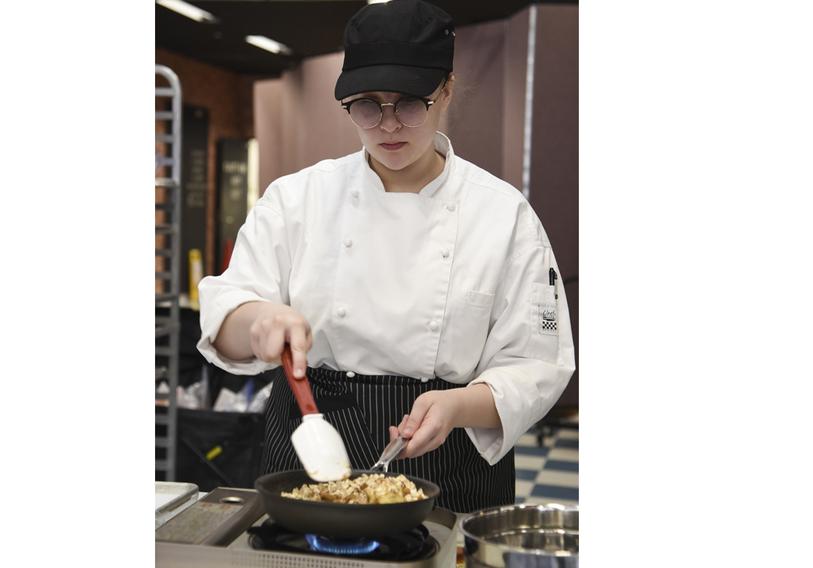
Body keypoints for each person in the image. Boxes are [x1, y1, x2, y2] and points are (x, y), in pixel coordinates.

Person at [197, 0, 575, 513]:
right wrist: (258, 320)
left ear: (445, 90)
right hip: (311, 445)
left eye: (410, 102)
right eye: (368, 104)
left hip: (450, 460)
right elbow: (228, 308)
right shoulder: (298, 198)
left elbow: (537, 362)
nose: (389, 125)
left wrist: (458, 405)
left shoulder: (502, 214)